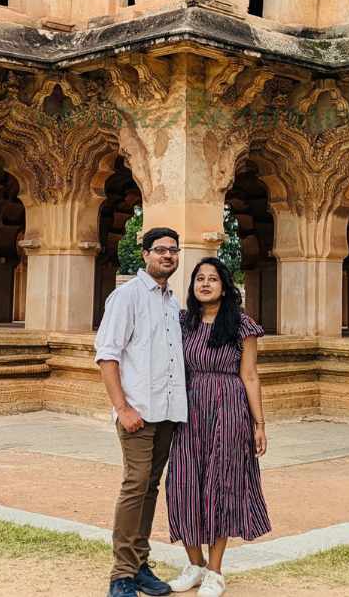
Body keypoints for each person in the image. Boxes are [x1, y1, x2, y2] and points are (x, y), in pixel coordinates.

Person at [166, 257, 271, 597]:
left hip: (228, 408)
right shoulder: (183, 323)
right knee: (183, 482)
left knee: (220, 484)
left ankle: (215, 571)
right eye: (199, 279)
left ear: (225, 286)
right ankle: (194, 564)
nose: (205, 284)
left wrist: (259, 423)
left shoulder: (241, 325)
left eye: (213, 279)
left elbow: (250, 375)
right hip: (189, 409)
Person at [94, 227, 188, 597]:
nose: (168, 256)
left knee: (150, 487)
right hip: (138, 413)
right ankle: (121, 574)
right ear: (145, 254)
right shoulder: (127, 297)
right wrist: (122, 408)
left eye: (173, 251)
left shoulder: (171, 302)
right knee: (135, 486)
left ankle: (139, 564)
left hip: (166, 412)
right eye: (161, 250)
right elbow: (108, 356)